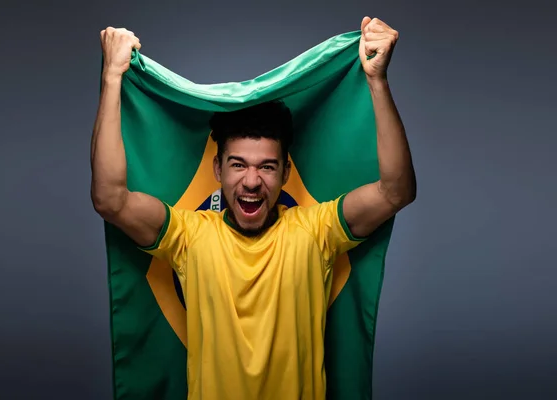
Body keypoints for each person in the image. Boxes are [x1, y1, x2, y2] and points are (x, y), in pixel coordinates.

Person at [91, 16, 416, 400]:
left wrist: (377, 81)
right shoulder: (189, 237)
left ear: (285, 172)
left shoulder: (316, 232)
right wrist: (112, 79)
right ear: (217, 169)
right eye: (238, 164)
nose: (251, 181)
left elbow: (396, 192)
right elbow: (110, 200)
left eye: (266, 166)